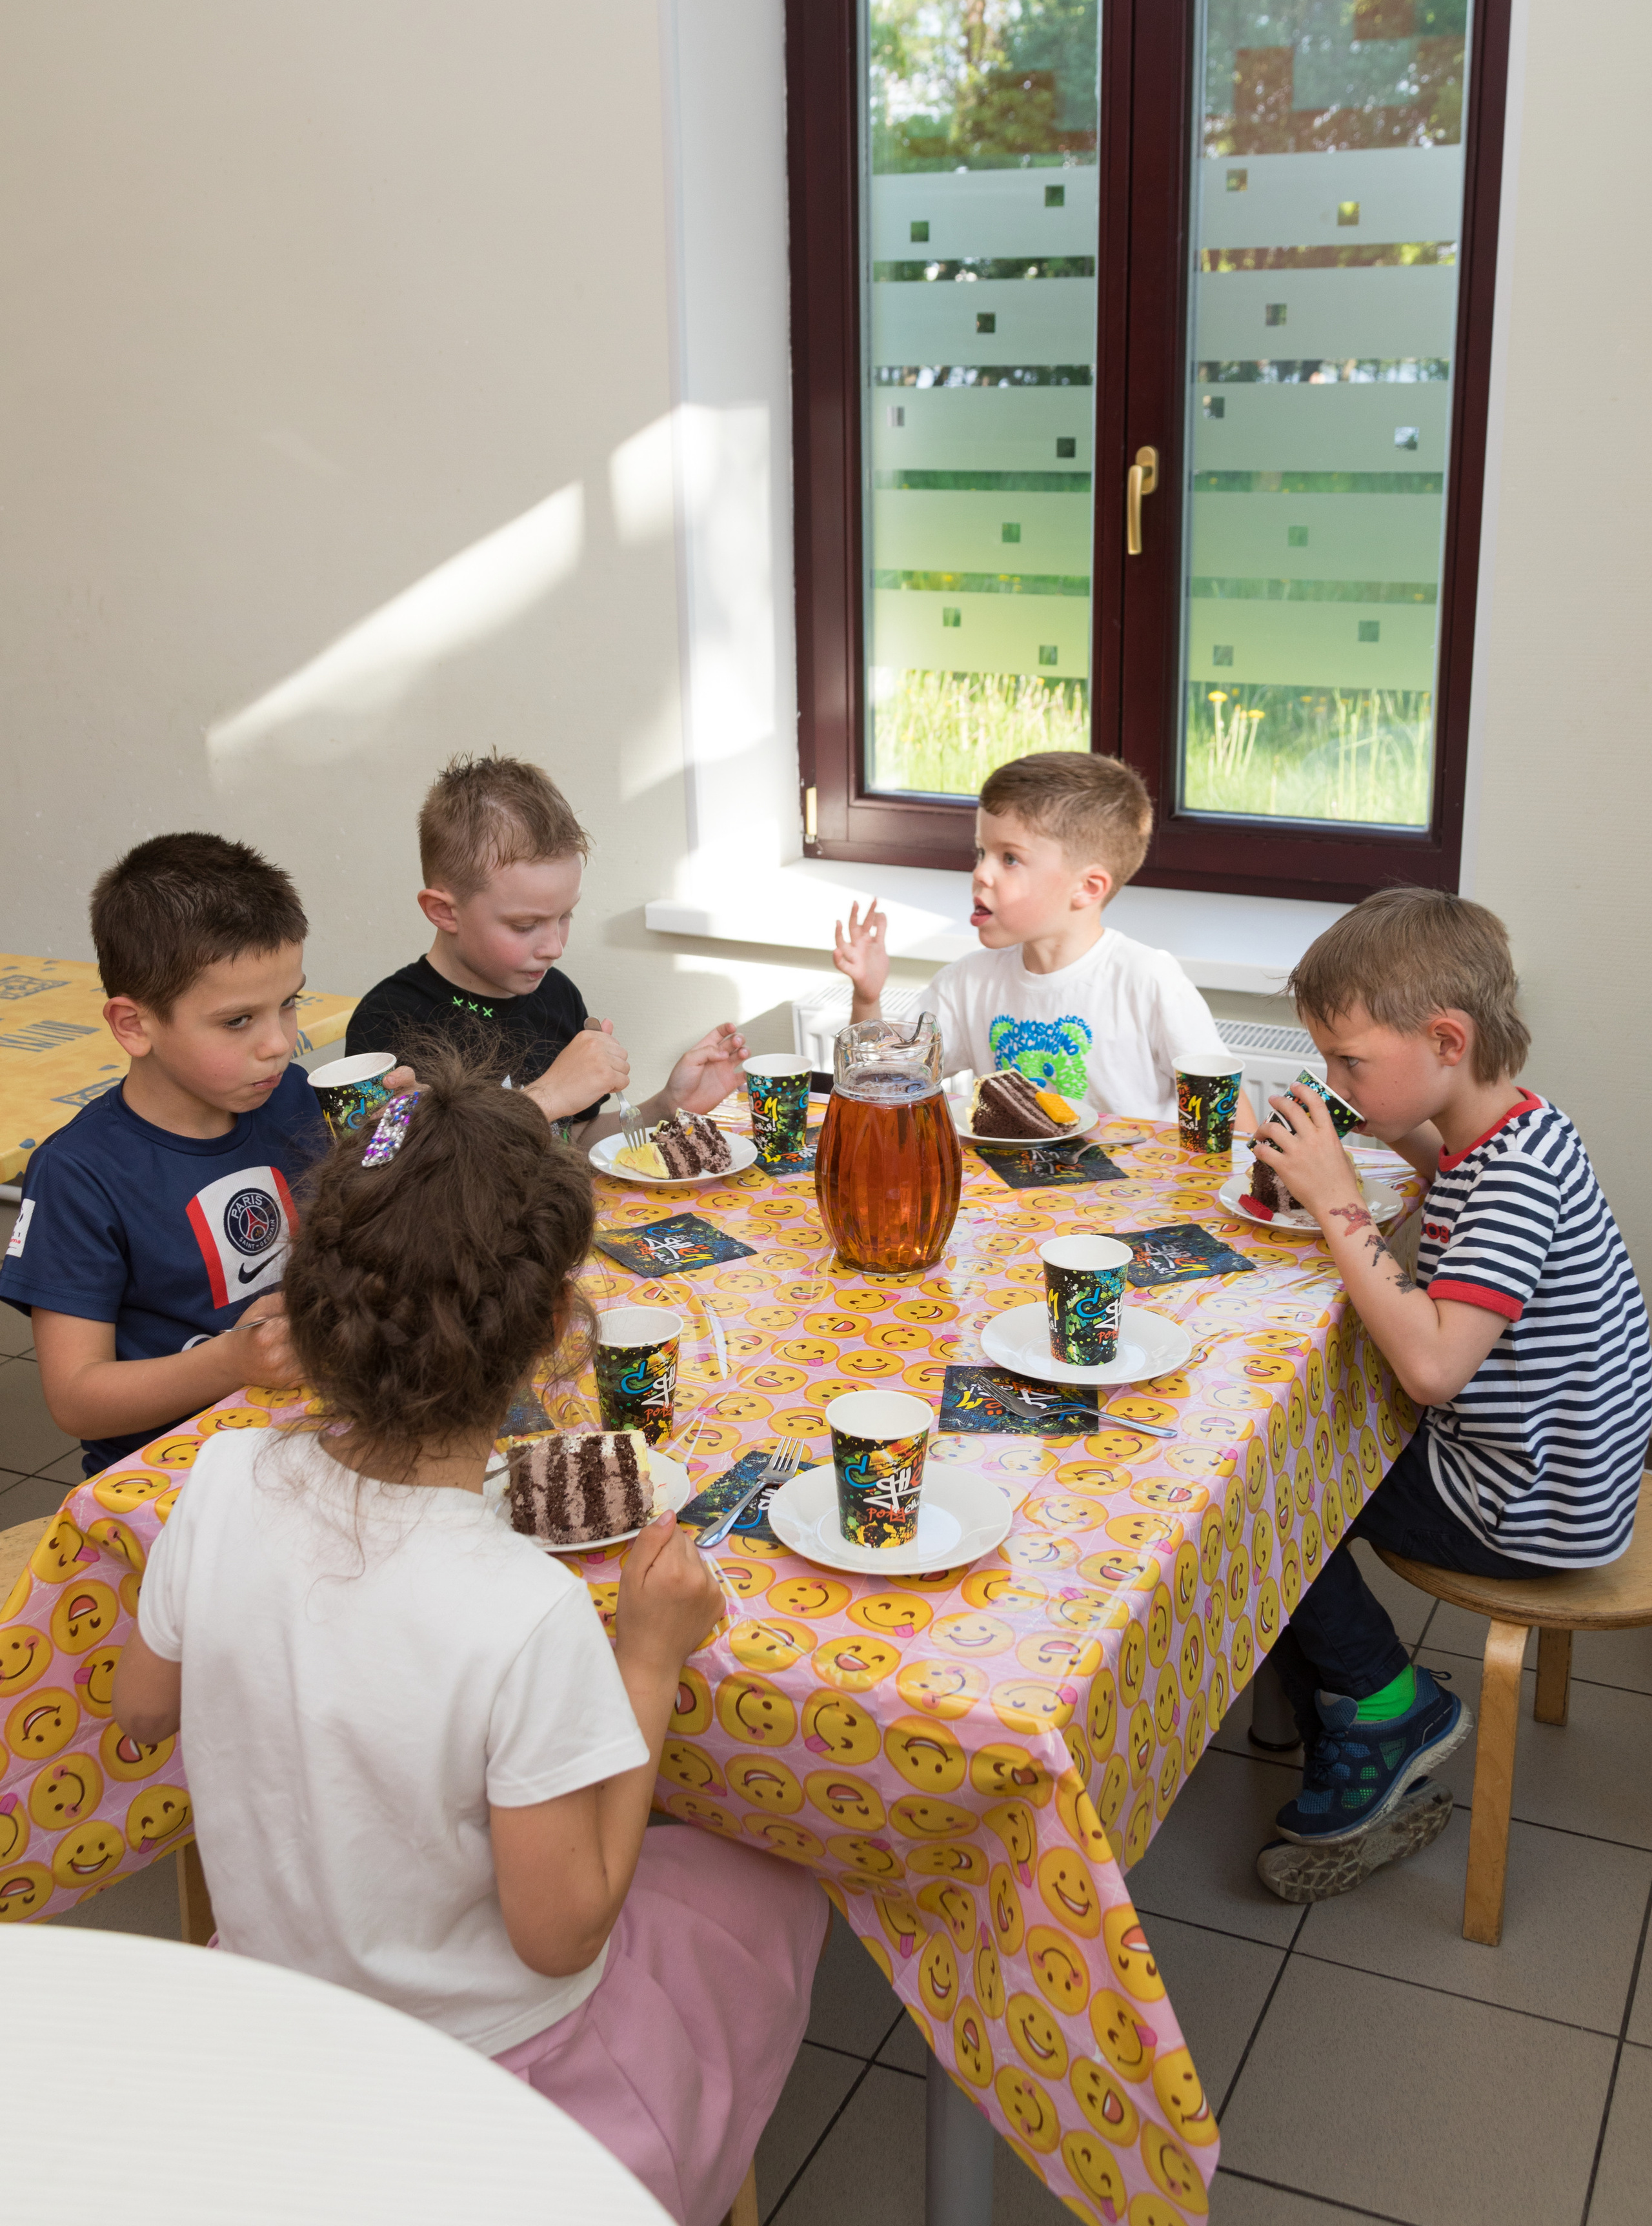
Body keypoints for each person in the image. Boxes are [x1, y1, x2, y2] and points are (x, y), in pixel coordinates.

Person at [110, 1054, 827, 2226]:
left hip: (272, 2006)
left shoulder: (226, 1473)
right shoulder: (524, 1608)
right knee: (774, 1878)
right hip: (498, 2073)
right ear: (557, 1330)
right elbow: (560, 1934)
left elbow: (145, 1710)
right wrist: (646, 1658)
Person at [1248, 887, 1652, 1901]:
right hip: (1559, 1466)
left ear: (1445, 1038)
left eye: (1349, 1061)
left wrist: (1339, 1198)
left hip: (1529, 1507)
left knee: (1262, 1494)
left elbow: (1433, 1368)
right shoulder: (1518, 1127)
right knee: (1304, 1438)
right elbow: (1448, 1174)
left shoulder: (1517, 1184)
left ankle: (1388, 1704)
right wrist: (1361, 1143)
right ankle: (1317, 1684)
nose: (1334, 1081)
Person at [0, 833, 348, 1477]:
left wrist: (398, 1131)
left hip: (305, 1434)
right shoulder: (78, 1173)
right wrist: (230, 1362)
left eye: (289, 1002)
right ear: (134, 1025)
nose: (279, 1044)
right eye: (238, 1021)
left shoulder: (295, 1098)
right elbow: (76, 1399)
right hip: (169, 1475)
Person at [832, 748, 1255, 1128]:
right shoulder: (966, 982)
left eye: (1010, 858)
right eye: (982, 852)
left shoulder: (1148, 980)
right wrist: (868, 998)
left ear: (1088, 888)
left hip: (1135, 1207)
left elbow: (1233, 1120)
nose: (981, 872)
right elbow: (887, 1085)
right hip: (1011, 1207)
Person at [346, 752, 747, 1149]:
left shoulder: (556, 996)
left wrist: (666, 1106)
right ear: (444, 912)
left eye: (565, 916)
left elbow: (575, 1138)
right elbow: (394, 1171)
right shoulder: (387, 1022)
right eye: (525, 926)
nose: (555, 947)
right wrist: (549, 1096)